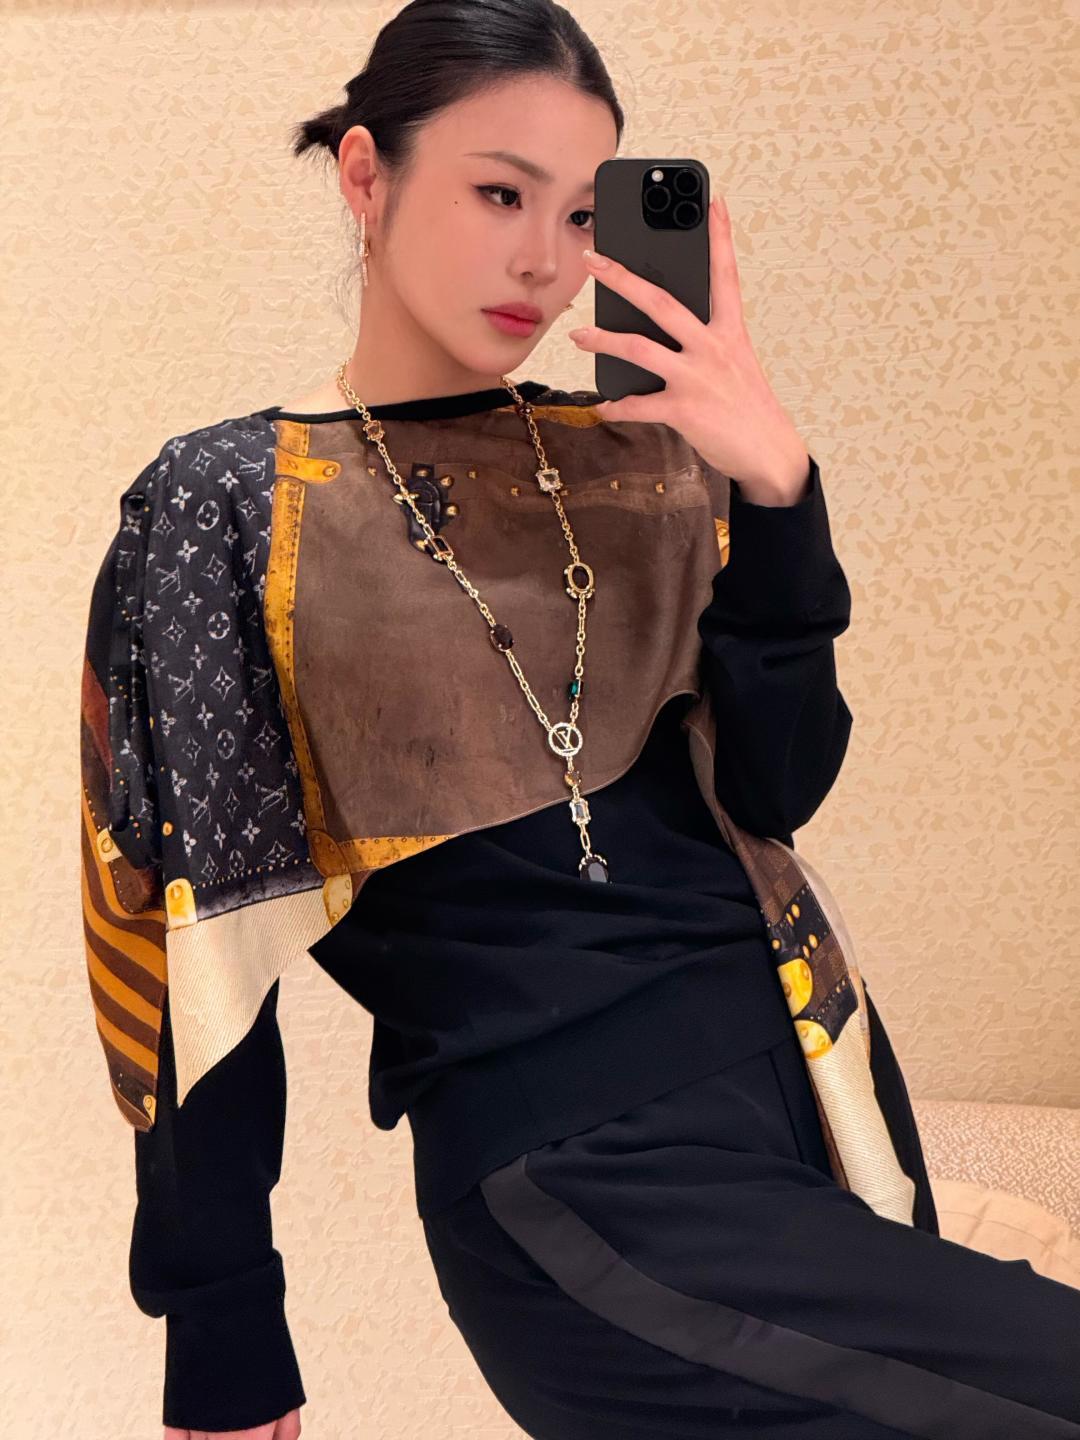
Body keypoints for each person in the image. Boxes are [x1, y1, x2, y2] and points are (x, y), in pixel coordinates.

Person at [80, 2, 1080, 1437]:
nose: (544, 263)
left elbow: (777, 790)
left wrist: (777, 491)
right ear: (366, 175)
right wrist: (223, 1327)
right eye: (499, 194)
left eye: (576, 213)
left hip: (810, 1080)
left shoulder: (641, 457)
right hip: (578, 1169)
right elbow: (192, 935)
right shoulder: (232, 504)